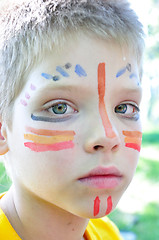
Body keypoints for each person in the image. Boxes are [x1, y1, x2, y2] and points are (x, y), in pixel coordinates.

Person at [0, 0, 145, 239]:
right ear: (3, 130)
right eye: (59, 107)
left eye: (124, 107)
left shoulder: (107, 233)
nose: (109, 136)